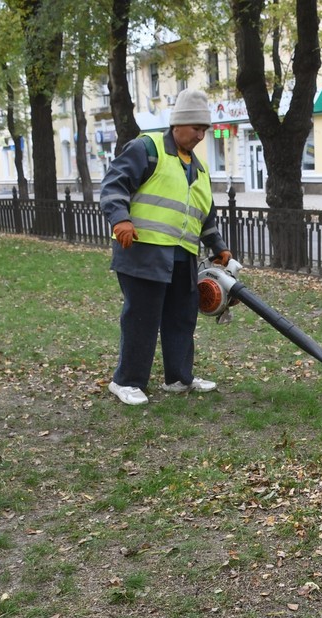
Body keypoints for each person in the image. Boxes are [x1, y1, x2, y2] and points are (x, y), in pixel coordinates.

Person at [100, 88, 233, 406]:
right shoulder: (147, 148)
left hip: (182, 257)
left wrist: (218, 246)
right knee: (142, 317)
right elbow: (114, 183)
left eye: (205, 130)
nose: (201, 135)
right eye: (196, 128)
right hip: (143, 252)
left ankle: (179, 378)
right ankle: (127, 381)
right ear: (178, 124)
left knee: (181, 318)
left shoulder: (198, 169)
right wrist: (120, 218)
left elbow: (205, 214)